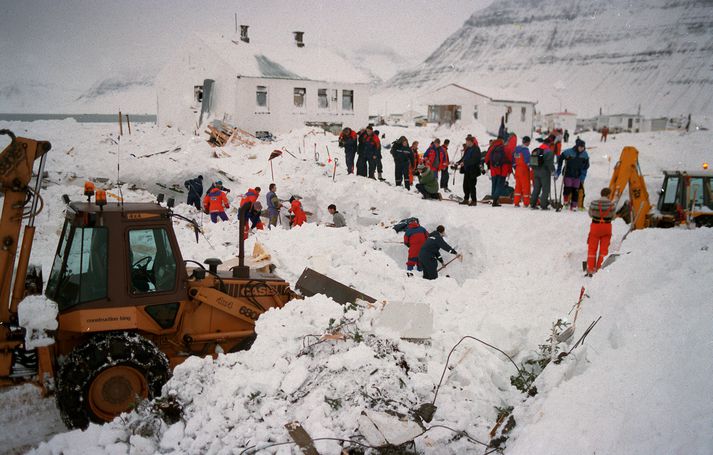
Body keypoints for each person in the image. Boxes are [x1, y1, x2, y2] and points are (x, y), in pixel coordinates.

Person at [586, 188, 616, 276]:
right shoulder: (612, 205)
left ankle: (591, 269)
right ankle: (600, 269)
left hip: (595, 227)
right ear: (608, 195)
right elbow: (613, 217)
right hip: (607, 227)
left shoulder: (594, 203)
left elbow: (590, 214)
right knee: (604, 250)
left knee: (592, 249)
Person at [556, 138, 590, 210]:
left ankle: (574, 205)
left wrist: (582, 177)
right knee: (567, 188)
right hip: (568, 173)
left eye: (583, 147)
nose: (581, 149)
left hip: (577, 175)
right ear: (577, 146)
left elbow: (586, 166)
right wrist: (558, 170)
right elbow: (560, 159)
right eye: (580, 147)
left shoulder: (585, 154)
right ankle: (565, 202)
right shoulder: (569, 152)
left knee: (575, 190)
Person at [484, 135, 513, 207]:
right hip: (503, 170)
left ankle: (494, 199)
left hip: (493, 169)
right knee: (500, 185)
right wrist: (509, 171)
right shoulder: (506, 148)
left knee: (494, 184)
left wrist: (488, 166)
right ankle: (495, 200)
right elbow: (509, 160)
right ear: (503, 140)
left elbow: (486, 159)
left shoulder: (492, 147)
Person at [529, 136, 556, 210]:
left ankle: (532, 203)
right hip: (544, 172)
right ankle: (543, 205)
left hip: (535, 171)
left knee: (536, 188)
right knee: (545, 189)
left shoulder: (536, 150)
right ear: (549, 144)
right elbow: (549, 163)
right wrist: (553, 171)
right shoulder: (548, 151)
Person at [455, 134, 481, 206]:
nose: (466, 143)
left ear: (471, 142)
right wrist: (459, 162)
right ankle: (466, 199)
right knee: (465, 185)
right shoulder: (468, 149)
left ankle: (474, 200)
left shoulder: (476, 149)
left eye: (467, 141)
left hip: (473, 170)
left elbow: (475, 160)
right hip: (467, 170)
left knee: (472, 186)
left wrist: (465, 162)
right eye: (466, 141)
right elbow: (464, 157)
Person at [513, 136, 532, 207]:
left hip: (517, 169)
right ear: (527, 142)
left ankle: (516, 202)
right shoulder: (525, 150)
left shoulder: (516, 149)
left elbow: (514, 159)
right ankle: (526, 203)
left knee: (518, 186)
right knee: (526, 186)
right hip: (524, 170)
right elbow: (527, 161)